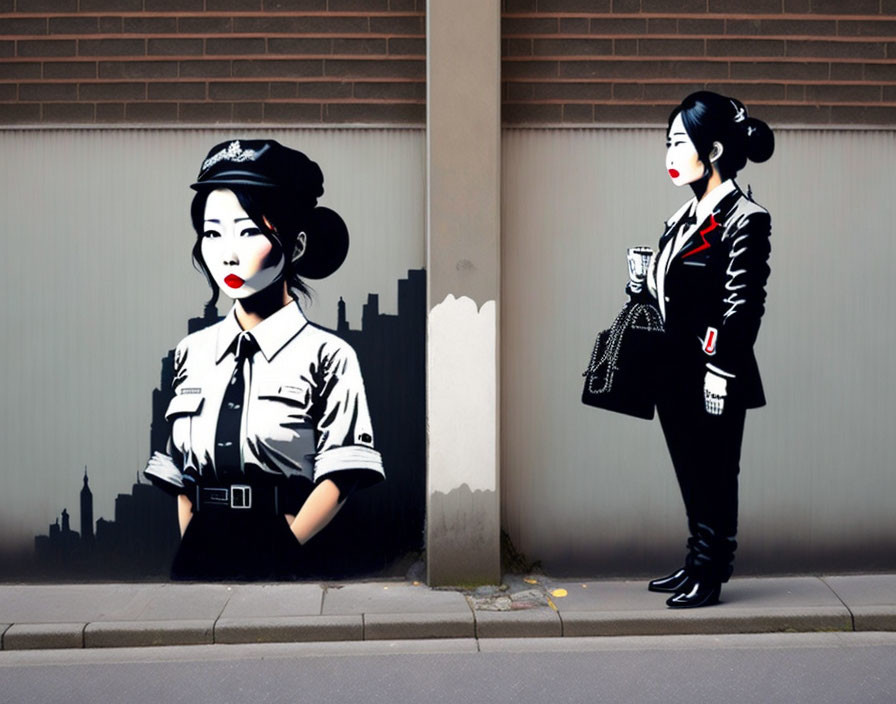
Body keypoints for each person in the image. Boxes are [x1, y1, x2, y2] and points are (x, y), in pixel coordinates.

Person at [145, 139, 385, 580]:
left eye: (249, 230)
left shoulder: (329, 356)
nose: (227, 252)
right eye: (213, 232)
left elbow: (342, 472)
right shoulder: (191, 352)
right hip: (198, 551)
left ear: (295, 244)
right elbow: (179, 470)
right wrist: (194, 536)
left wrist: (286, 544)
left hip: (279, 549)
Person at [628, 92, 775, 608]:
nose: (669, 155)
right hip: (674, 371)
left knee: (715, 471)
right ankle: (695, 561)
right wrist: (641, 281)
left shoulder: (745, 219)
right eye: (666, 143)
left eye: (677, 143)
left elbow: (742, 306)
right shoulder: (682, 217)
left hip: (714, 373)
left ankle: (711, 572)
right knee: (690, 470)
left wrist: (721, 368)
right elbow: (671, 296)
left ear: (711, 150)